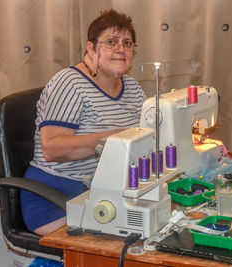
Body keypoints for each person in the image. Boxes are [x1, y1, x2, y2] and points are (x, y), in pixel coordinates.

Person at [20, 9, 145, 236]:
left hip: (104, 191)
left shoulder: (132, 88)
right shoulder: (70, 83)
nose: (121, 49)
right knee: (125, 242)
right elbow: (51, 149)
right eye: (111, 42)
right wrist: (113, 138)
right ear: (91, 48)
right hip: (57, 195)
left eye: (127, 43)